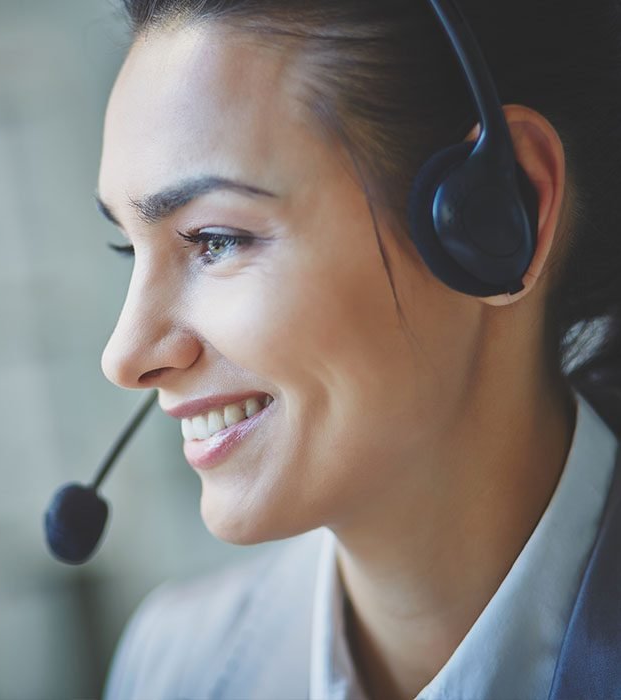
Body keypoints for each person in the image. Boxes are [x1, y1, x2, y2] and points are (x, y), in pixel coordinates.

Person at [96, 1, 621, 698]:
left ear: (502, 212)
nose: (125, 355)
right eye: (128, 248)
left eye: (215, 239)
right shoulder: (170, 667)